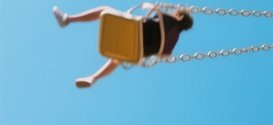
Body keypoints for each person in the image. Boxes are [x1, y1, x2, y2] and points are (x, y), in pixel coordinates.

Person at [52, 4, 193, 88]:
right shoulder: (174, 40)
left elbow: (149, 8)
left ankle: (68, 19)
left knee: (104, 9)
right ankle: (93, 78)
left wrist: (154, 7)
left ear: (179, 16)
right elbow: (163, 57)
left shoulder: (168, 19)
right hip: (134, 52)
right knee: (116, 59)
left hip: (131, 30)